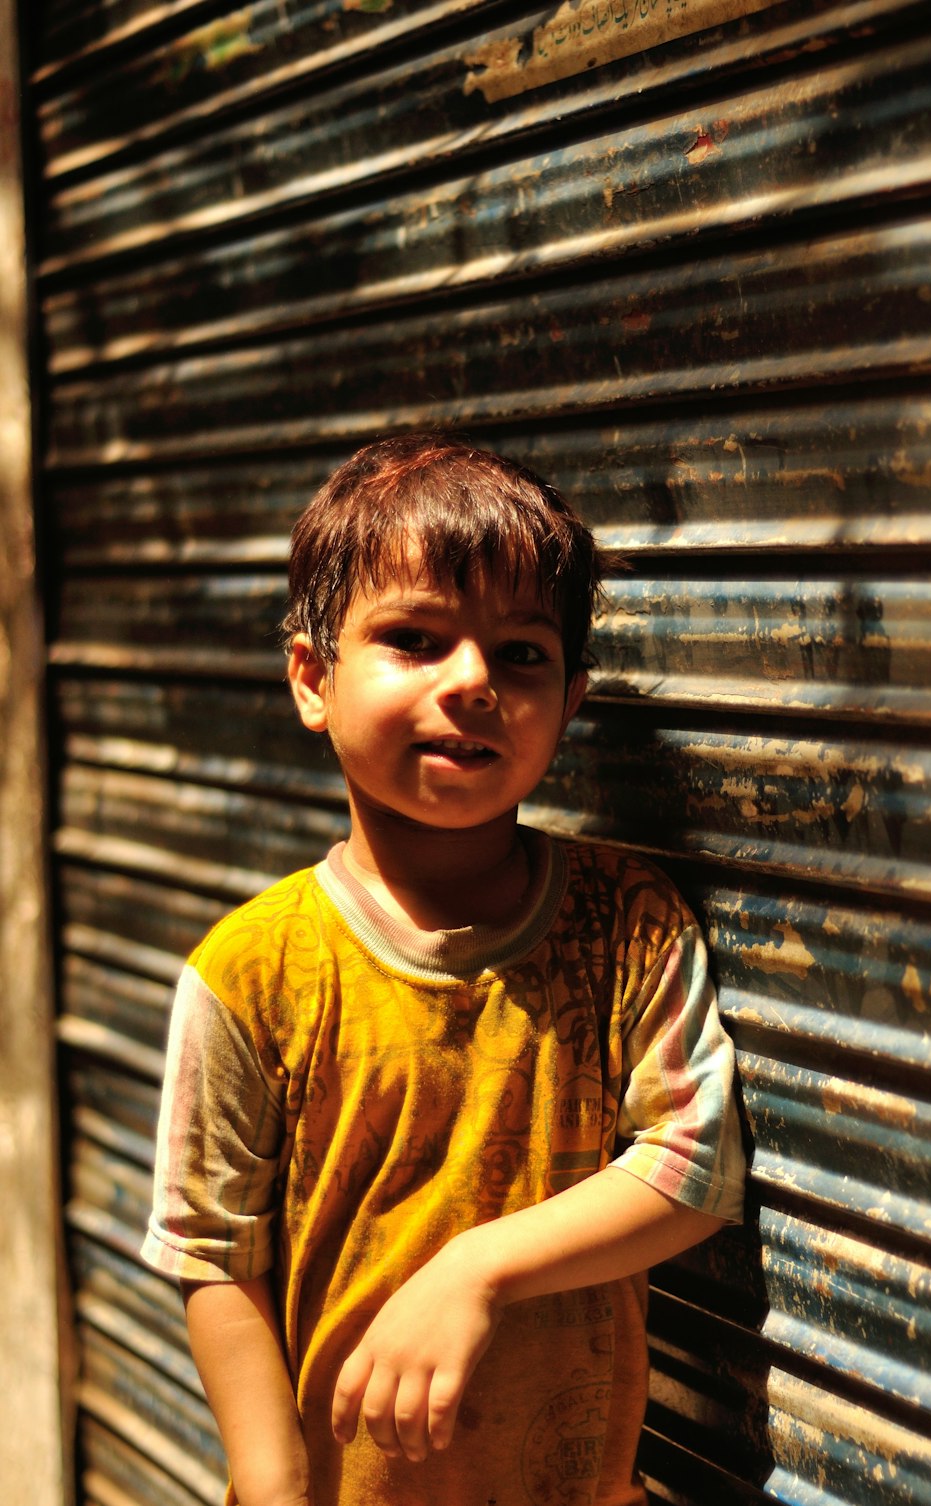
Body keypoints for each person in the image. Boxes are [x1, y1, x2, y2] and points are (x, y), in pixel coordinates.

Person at [142, 432, 746, 1506]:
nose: (472, 681)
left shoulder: (624, 922)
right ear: (311, 679)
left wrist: (479, 1269)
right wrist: (270, 1482)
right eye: (415, 640)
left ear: (570, 700)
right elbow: (211, 1253)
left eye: (520, 654)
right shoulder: (251, 972)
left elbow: (694, 1170)